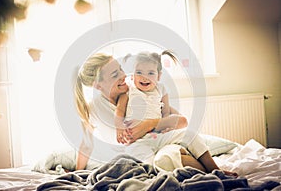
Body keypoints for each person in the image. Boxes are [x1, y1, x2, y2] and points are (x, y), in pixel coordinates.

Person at [74, 52, 237, 176]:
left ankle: (217, 172)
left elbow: (181, 121)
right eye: (115, 74)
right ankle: (208, 171)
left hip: (162, 142)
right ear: (97, 85)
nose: (124, 76)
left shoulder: (140, 89)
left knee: (179, 147)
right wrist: (76, 172)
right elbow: (86, 145)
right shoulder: (93, 109)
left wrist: (149, 124)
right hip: (142, 155)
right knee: (164, 161)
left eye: (121, 69)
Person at [115, 50, 188, 144]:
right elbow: (119, 110)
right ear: (132, 75)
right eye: (139, 72)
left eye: (151, 73)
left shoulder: (161, 89)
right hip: (135, 134)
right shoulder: (129, 89)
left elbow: (165, 113)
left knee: (183, 123)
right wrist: (119, 127)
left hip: (157, 132)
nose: (145, 78)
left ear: (159, 76)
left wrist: (169, 128)